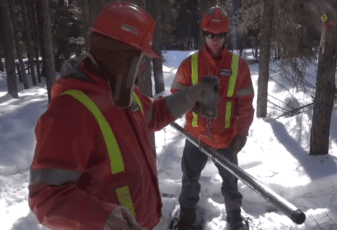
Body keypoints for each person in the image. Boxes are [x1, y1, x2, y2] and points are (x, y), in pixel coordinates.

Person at [28, 2, 219, 230]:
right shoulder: (69, 112)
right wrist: (103, 217)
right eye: (139, 60)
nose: (142, 69)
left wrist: (191, 96)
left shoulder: (123, 93)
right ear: (122, 59)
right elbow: (45, 197)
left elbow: (154, 114)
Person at [170, 6, 254, 230]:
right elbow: (174, 99)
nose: (215, 40)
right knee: (189, 180)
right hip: (195, 137)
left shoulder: (239, 67)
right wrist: (192, 101)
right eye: (210, 35)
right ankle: (186, 216)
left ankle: (235, 217)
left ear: (226, 36)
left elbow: (246, 106)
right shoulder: (189, 65)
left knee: (231, 182)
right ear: (203, 34)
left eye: (220, 35)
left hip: (227, 139)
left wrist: (242, 134)